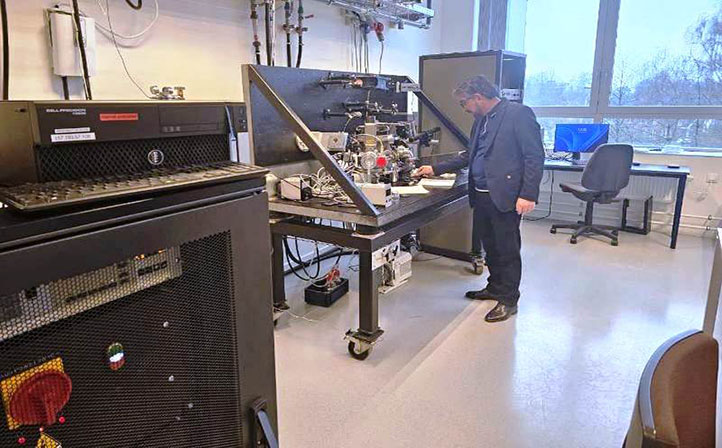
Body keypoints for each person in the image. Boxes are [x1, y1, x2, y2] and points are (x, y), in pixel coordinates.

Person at [415, 75, 544, 323]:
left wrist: (528, 194)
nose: (464, 107)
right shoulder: (480, 121)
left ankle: (509, 300)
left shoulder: (518, 114)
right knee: (491, 247)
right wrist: (435, 168)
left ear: (478, 97)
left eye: (464, 102)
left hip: (505, 196)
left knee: (507, 249)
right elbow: (469, 155)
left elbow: (534, 156)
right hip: (482, 195)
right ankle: (495, 287)